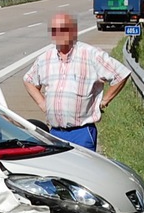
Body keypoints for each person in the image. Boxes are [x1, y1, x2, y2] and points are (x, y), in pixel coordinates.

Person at [22, 12, 130, 151]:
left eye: (64, 30)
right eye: (55, 30)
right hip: (55, 133)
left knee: (82, 172)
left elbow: (121, 73)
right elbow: (28, 80)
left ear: (73, 31)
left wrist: (104, 101)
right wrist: (43, 104)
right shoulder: (45, 59)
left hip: (82, 133)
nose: (59, 34)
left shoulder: (90, 54)